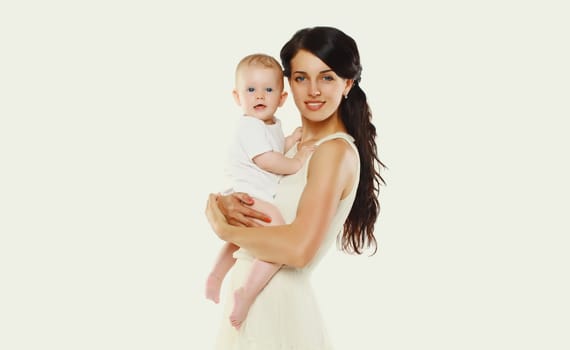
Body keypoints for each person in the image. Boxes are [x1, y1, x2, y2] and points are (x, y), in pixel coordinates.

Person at [205, 26, 386, 349]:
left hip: (278, 310)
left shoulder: (333, 151)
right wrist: (225, 203)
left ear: (347, 84)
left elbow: (298, 250)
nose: (313, 90)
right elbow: (255, 194)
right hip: (251, 304)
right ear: (287, 85)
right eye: (301, 78)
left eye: (327, 77)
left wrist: (224, 228)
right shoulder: (289, 148)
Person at [205, 53, 314, 329]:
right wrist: (297, 160)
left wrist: (290, 139)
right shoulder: (249, 125)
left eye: (268, 90)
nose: (259, 96)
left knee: (239, 239)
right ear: (237, 96)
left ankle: (216, 276)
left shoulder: (271, 125)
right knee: (277, 232)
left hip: (253, 193)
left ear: (281, 98)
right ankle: (247, 292)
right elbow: (267, 159)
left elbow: (274, 146)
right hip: (247, 193)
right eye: (250, 90)